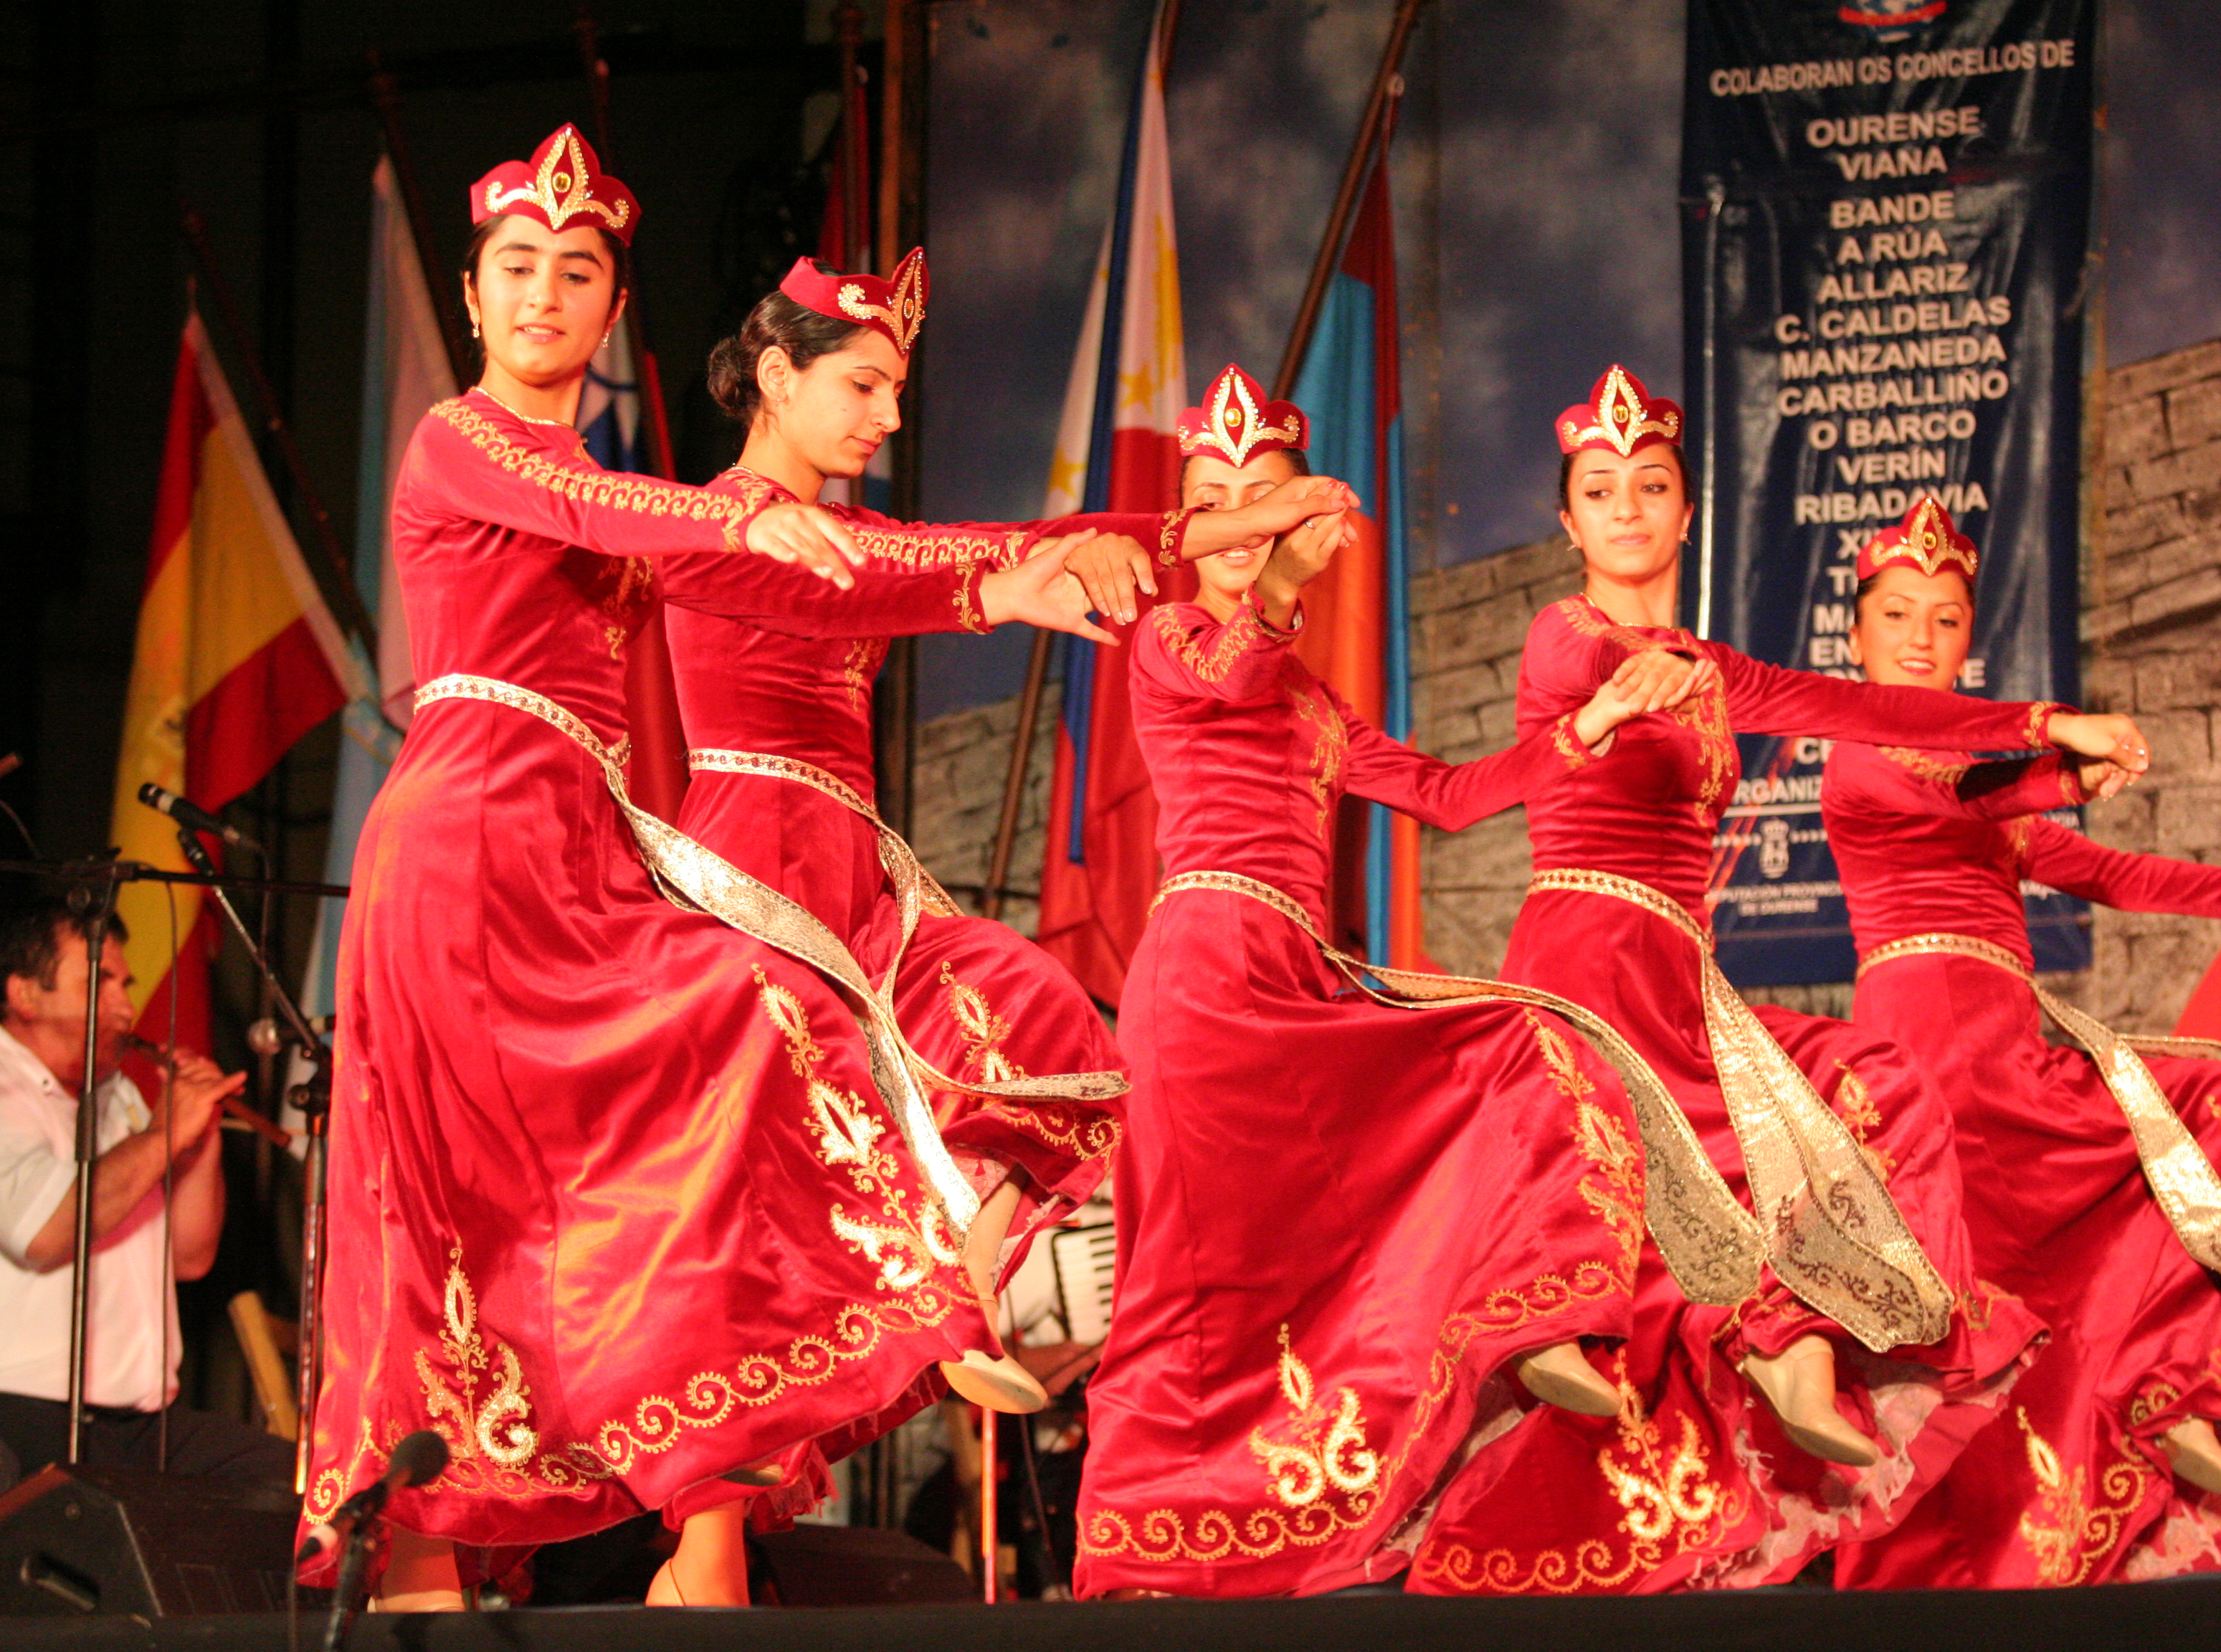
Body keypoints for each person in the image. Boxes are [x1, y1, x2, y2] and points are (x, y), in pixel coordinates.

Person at [299, 125, 1118, 1611]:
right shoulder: (463, 441)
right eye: (519, 268)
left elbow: (864, 572)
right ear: (473, 298)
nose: (545, 295)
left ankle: (687, 1520)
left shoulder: (610, 481)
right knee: (451, 1200)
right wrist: (745, 508)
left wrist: (1067, 562)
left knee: (615, 1172)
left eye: (579, 274)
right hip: (468, 839)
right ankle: (428, 1560)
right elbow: (620, 515)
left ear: (615, 309)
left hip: (582, 853)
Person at [1405, 366, 2145, 1595]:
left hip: (1683, 969)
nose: (1628, 509)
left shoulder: (1709, 668)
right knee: (1642, 1166)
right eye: (1602, 491)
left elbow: (1868, 706)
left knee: (1867, 1086)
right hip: (1590, 947)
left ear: (1688, 512)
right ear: (1569, 521)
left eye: (1651, 487)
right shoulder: (1566, 634)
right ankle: (1545, 1325)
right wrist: (1617, 690)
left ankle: (1795, 1346)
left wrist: (2049, 728)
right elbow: (1579, 670)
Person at [669, 263, 1359, 1444]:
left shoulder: (865, 530)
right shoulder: (715, 524)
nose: (889, 416)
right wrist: (999, 592)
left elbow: (1000, 541)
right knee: (759, 1175)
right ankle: (729, 1458)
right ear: (777, 376)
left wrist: (1232, 531)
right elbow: (892, 581)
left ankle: (963, 1294)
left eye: (896, 389)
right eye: (865, 385)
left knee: (1035, 1017)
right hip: (753, 872)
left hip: (858, 874)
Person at [1073, 366, 1704, 1599]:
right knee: (1190, 1277)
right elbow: (1229, 675)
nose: (1244, 525)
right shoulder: (1167, 639)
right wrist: (1283, 584)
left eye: (1268, 498)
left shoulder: (1315, 700)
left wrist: (1586, 729)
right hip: (1204, 975)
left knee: (1515, 1045)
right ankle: (1134, 1552)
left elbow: (1447, 796)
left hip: (1297, 981)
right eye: (1217, 504)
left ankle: (1519, 1318)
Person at [1825, 497, 2221, 1585]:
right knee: (1987, 1273)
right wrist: (2064, 756)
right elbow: (1960, 783)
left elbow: (2116, 875)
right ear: (1855, 637)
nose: (1920, 638)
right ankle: (2129, 1411)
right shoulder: (1864, 755)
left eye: (1945, 620)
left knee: (2215, 1124)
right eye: (1896, 616)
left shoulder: (1988, 791)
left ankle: (2173, 1387)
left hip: (2008, 1041)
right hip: (1931, 1049)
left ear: (1968, 637)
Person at [0, 892, 287, 1486]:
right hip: (22, 1416)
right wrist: (163, 1133)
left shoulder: (118, 1095)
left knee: (285, 1482)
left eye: (126, 986)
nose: (125, 1008)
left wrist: (198, 1136)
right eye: (99, 983)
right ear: (24, 994)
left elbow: (189, 1257)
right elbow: (43, 1234)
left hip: (139, 1423)